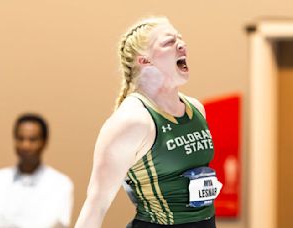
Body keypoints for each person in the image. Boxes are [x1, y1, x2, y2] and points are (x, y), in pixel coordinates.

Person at [75, 16, 222, 228]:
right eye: (169, 42)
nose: (182, 44)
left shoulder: (195, 108)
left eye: (180, 38)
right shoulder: (133, 120)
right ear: (145, 60)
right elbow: (96, 204)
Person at [0, 113, 74, 228]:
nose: (25, 145)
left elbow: (56, 225)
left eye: (32, 140)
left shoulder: (60, 184)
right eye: (20, 138)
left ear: (44, 142)